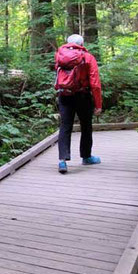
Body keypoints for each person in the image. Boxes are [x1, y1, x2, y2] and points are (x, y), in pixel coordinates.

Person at [55, 34, 102, 174]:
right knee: (86, 126)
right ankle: (86, 157)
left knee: (65, 126)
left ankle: (62, 161)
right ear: (82, 43)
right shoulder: (88, 57)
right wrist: (98, 104)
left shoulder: (60, 55)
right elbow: (95, 83)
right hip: (83, 95)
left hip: (64, 95)